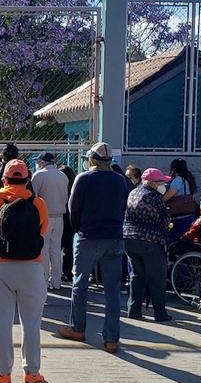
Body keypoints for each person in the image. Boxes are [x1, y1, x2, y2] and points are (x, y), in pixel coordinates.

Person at [0, 159, 50, 383]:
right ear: (28, 178)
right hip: (32, 267)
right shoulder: (38, 203)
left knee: (2, 322)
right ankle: (32, 374)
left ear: (4, 179)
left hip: (1, 265)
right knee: (31, 324)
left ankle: (2, 372)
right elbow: (42, 230)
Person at [57, 142, 129, 353]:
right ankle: (112, 338)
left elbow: (73, 209)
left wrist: (80, 229)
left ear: (92, 159)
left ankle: (78, 328)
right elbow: (122, 207)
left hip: (88, 237)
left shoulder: (83, 178)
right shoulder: (119, 180)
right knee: (112, 290)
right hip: (114, 237)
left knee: (80, 285)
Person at [124, 168, 174, 323]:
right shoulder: (154, 197)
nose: (164, 185)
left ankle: (134, 310)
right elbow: (166, 220)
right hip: (150, 241)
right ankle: (160, 313)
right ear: (152, 182)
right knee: (156, 278)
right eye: (161, 182)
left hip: (129, 239)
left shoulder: (133, 193)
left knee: (137, 276)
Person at [32, 151, 69, 290]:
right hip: (60, 216)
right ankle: (57, 281)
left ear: (42, 162)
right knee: (56, 250)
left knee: (44, 249)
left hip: (44, 217)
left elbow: (33, 197)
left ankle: (44, 280)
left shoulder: (39, 175)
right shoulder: (62, 175)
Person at [164, 158, 199, 242]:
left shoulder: (178, 180)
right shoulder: (189, 179)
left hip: (179, 217)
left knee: (175, 240)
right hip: (190, 215)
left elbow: (167, 197)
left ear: (174, 168)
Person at [60, 165, 77, 284]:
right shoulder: (74, 188)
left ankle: (57, 272)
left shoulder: (60, 188)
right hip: (70, 219)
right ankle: (67, 273)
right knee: (68, 247)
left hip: (60, 217)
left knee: (56, 247)